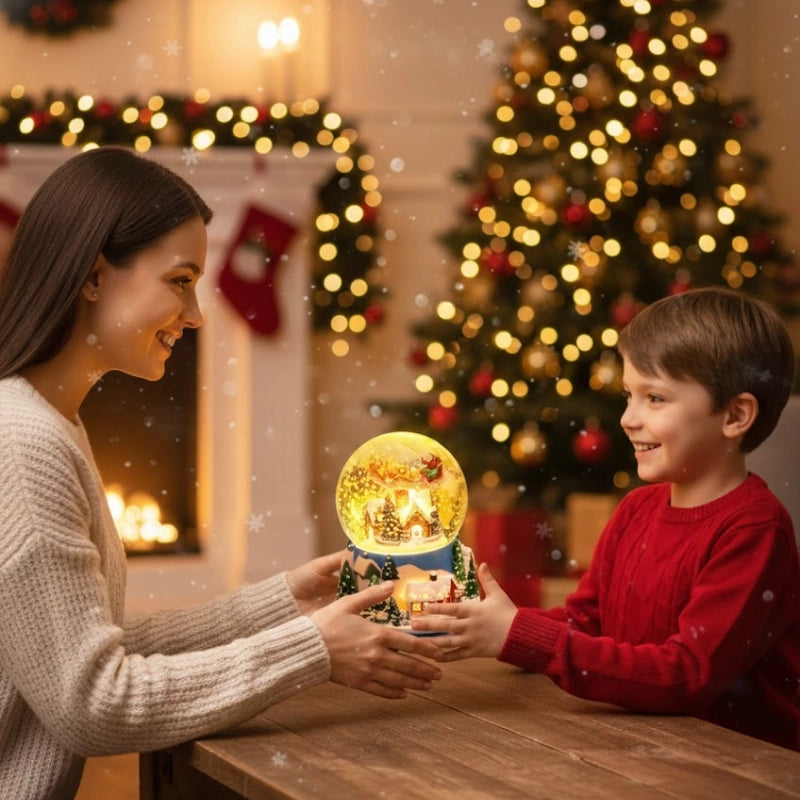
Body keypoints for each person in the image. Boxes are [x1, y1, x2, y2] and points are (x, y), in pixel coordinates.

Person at [0, 146, 444, 799]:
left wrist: (282, 602)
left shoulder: (45, 422)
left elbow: (94, 645)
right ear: (94, 275)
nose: (197, 314)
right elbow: (91, 702)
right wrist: (312, 651)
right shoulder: (24, 442)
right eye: (180, 281)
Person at [413, 287, 800, 751]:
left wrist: (518, 635)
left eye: (654, 398)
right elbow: (586, 623)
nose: (627, 419)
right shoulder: (636, 509)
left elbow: (686, 675)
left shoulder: (754, 531)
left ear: (736, 415)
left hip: (736, 763)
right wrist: (488, 627)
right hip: (640, 748)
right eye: (628, 395)